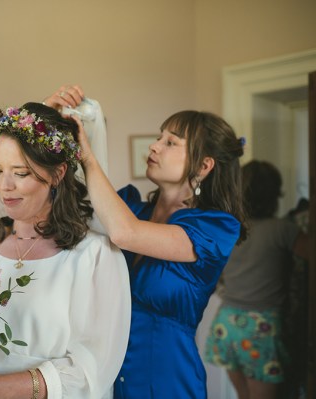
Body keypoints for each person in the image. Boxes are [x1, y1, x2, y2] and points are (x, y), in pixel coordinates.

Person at [44, 85, 248, 398]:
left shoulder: (214, 228)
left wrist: (88, 155)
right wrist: (48, 121)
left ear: (204, 166)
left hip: (167, 382)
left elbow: (125, 233)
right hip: (112, 378)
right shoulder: (132, 207)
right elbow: (70, 202)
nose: (154, 146)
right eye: (159, 137)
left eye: (170, 142)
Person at [0, 102, 131, 399]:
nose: (5, 186)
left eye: (20, 173)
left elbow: (92, 371)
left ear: (57, 174)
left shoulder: (95, 257)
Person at [204, 160, 308, 399]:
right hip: (260, 327)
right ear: (275, 194)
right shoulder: (282, 229)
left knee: (244, 395)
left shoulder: (231, 229)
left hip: (227, 323)